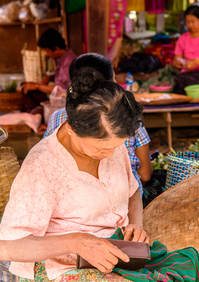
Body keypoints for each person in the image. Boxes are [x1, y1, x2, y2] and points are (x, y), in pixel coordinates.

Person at [0, 69, 199, 282]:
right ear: (74, 129)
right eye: (103, 147)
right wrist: (76, 242)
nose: (111, 153)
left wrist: (135, 226)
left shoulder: (111, 145)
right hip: (55, 273)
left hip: (116, 253)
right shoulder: (42, 166)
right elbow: (5, 247)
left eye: (116, 146)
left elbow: (132, 193)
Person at [43, 53, 153, 195]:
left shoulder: (57, 118)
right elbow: (144, 174)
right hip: (124, 197)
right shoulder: (128, 116)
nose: (109, 154)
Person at [21, 28, 76, 112]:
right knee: (26, 85)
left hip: (68, 104)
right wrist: (50, 77)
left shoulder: (68, 63)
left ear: (56, 49)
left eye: (47, 51)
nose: (47, 54)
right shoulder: (62, 60)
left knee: (34, 99)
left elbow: (62, 90)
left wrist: (37, 86)